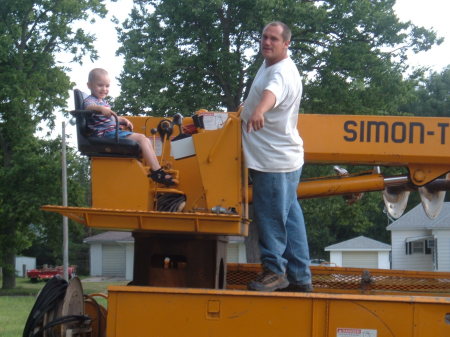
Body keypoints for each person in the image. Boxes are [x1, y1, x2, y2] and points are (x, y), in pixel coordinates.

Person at [241, 22, 312, 292]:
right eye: (264, 37)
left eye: (273, 39)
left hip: (272, 163)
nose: (266, 42)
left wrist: (258, 110)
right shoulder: (271, 63)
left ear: (286, 44)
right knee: (290, 222)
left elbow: (272, 92)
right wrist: (247, 108)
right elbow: (265, 88)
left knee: (270, 218)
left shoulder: (281, 72)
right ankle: (300, 278)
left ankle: (274, 272)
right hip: (284, 160)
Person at [83, 68, 176, 186]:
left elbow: (110, 118)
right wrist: (100, 108)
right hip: (105, 134)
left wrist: (122, 120)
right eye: (100, 85)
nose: (104, 89)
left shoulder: (103, 102)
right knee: (142, 139)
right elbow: (88, 108)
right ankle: (156, 172)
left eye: (107, 86)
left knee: (145, 139)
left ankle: (155, 168)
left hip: (112, 131)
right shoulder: (91, 101)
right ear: (89, 85)